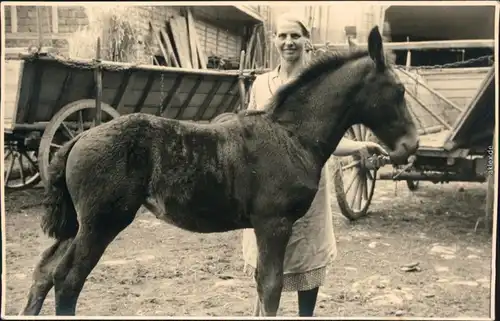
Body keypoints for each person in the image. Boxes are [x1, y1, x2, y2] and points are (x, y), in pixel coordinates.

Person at [241, 13, 388, 317]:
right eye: (282, 36)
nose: (288, 42)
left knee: (307, 256)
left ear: (307, 40)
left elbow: (331, 141)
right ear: (274, 40)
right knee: (267, 260)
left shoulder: (322, 86)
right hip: (266, 193)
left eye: (295, 36)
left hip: (306, 187)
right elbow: (249, 136)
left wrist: (360, 145)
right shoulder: (261, 85)